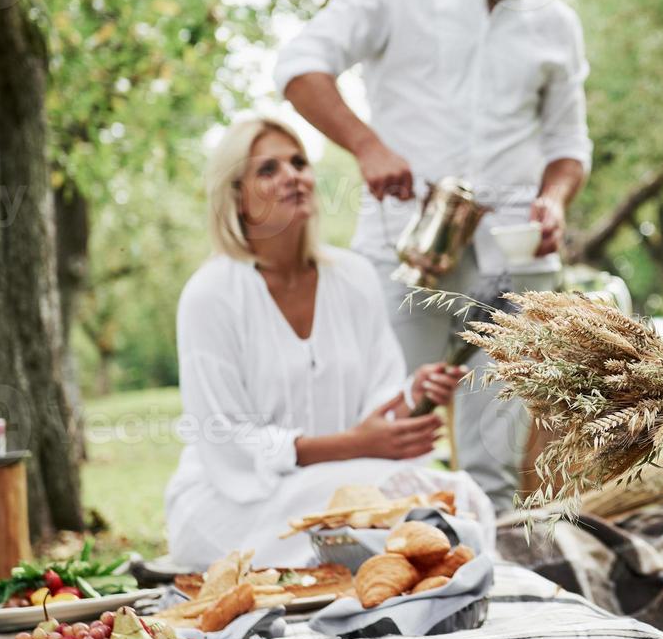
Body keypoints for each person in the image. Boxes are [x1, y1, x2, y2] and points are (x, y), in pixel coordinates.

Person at [274, 0, 593, 512]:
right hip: (405, 252)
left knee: (497, 462)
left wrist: (554, 200)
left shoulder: (555, 24)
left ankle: (498, 594)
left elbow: (568, 148)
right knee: (393, 440)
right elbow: (300, 66)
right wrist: (366, 147)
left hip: (515, 264)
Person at [163, 117, 480, 569]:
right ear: (237, 196)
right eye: (268, 170)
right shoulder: (210, 294)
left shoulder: (353, 277)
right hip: (236, 502)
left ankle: (374, 557)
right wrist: (354, 445)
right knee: (409, 517)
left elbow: (377, 400)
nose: (293, 175)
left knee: (461, 497)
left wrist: (412, 397)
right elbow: (226, 440)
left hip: (343, 480)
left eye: (298, 162)